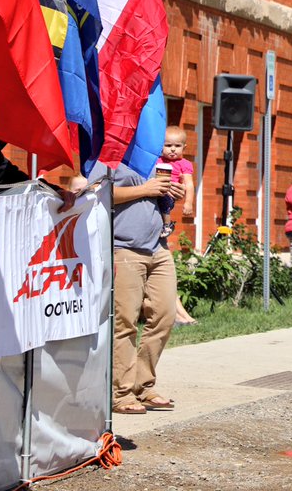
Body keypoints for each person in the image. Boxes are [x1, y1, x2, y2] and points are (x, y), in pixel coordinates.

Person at [93, 159, 185, 415]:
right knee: (125, 322)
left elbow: (158, 195)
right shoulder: (108, 157)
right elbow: (99, 194)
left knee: (165, 317)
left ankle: (142, 385)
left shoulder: (152, 154)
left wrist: (171, 192)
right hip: (124, 248)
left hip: (158, 248)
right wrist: (146, 188)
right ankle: (120, 394)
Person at [158, 126, 199, 325]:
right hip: (155, 192)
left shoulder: (184, 164)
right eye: (168, 145)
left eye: (177, 146)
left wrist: (189, 203)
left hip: (168, 194)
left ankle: (166, 225)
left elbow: (189, 185)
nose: (172, 150)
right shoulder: (157, 161)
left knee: (166, 200)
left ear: (184, 147)